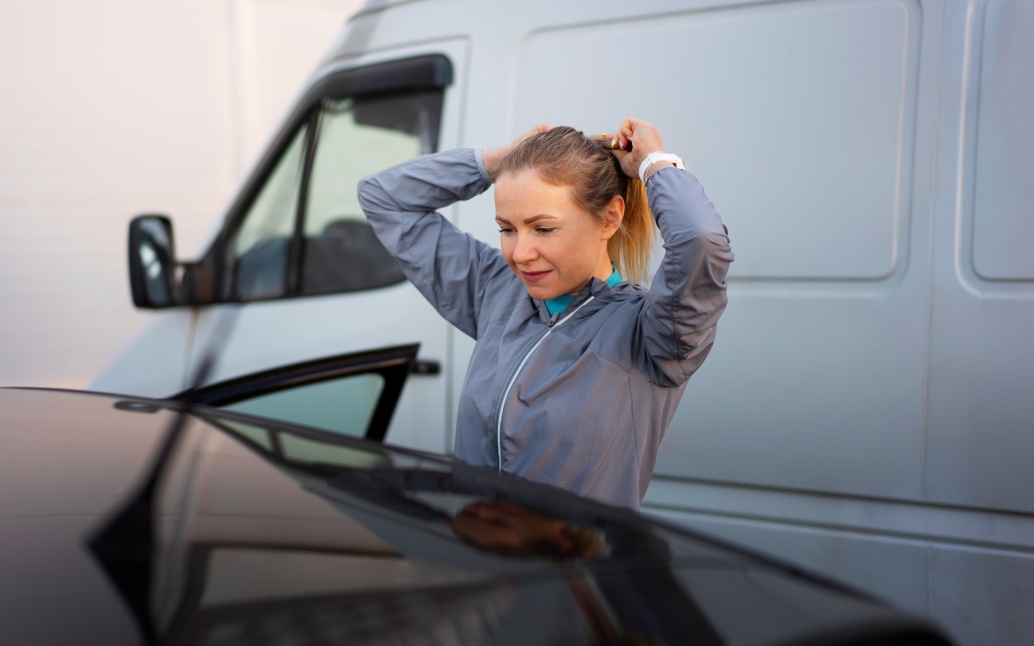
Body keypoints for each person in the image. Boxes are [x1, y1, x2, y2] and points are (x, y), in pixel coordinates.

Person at [358, 118, 733, 510]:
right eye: (507, 229)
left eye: (543, 229)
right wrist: (501, 163)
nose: (520, 254)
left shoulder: (653, 334)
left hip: (572, 569)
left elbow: (700, 240)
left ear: (610, 218)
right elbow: (383, 197)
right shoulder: (499, 290)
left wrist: (652, 164)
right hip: (476, 556)